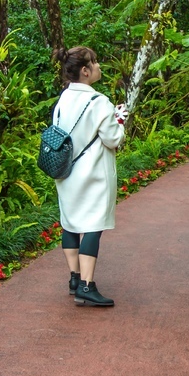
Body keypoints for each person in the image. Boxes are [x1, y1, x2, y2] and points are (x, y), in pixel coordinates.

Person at [51, 46, 127, 307]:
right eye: (95, 62)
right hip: (93, 175)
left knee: (70, 223)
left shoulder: (63, 99)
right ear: (85, 71)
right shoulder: (99, 102)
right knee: (93, 226)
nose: (99, 66)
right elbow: (112, 139)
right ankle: (87, 286)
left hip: (65, 172)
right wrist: (120, 120)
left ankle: (74, 279)